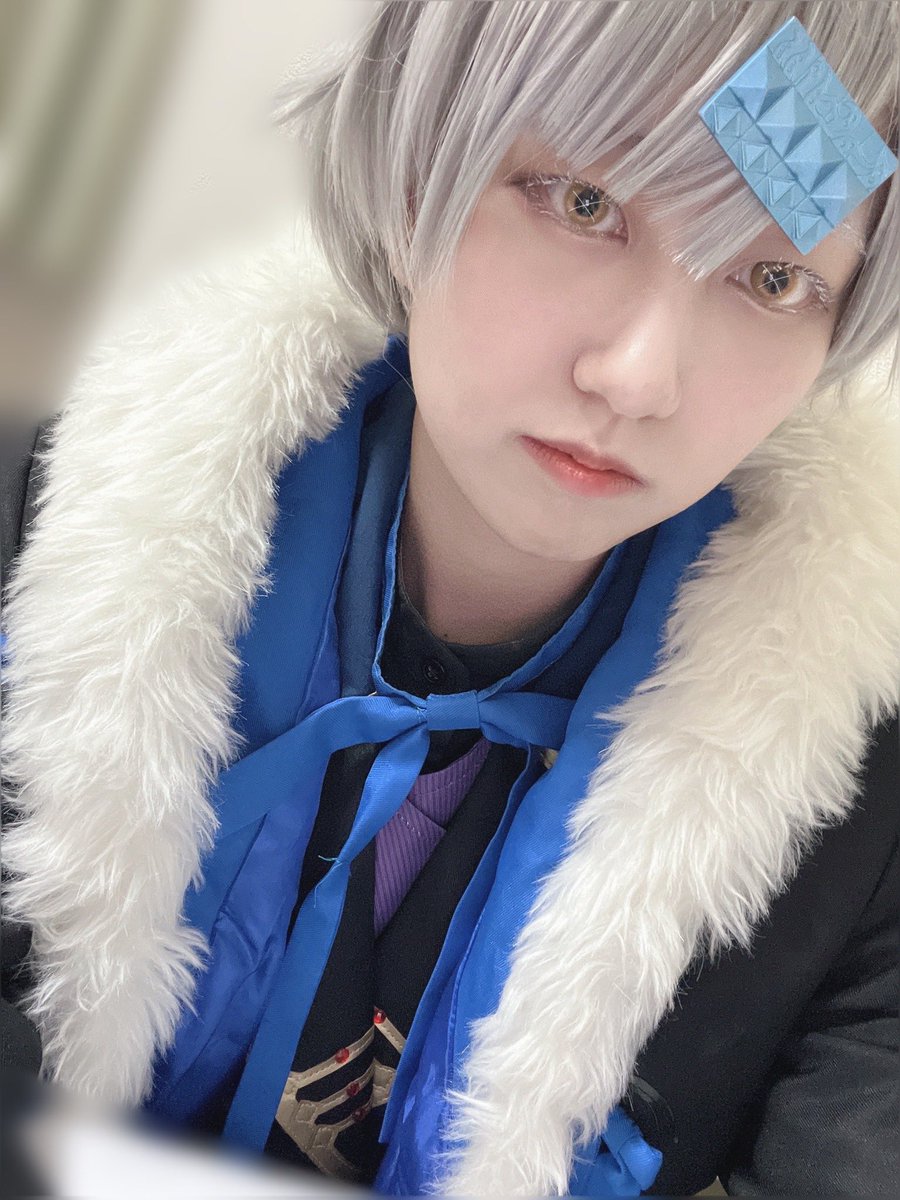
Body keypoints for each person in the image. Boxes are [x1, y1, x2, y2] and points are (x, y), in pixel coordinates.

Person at [1, 2, 897, 1195]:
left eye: (773, 278)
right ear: (419, 166)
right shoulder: (46, 525)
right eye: (585, 203)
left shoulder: (863, 803)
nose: (638, 377)